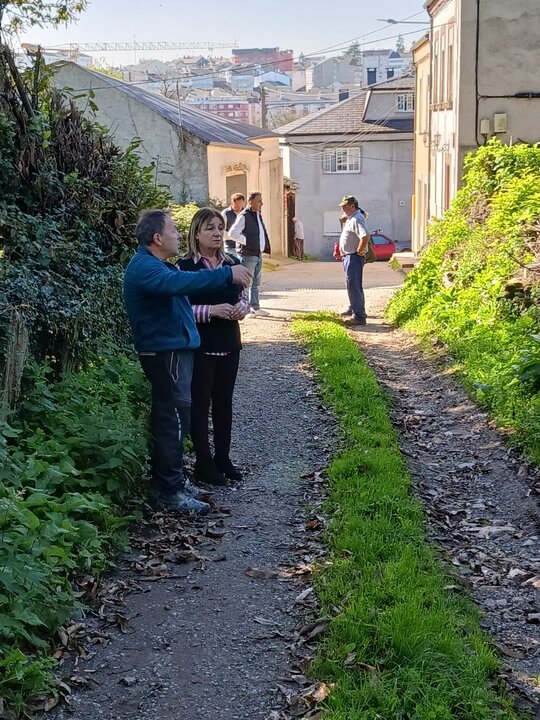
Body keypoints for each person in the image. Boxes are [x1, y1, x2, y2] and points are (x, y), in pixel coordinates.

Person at [123, 209, 251, 514]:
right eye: (174, 231)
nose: (179, 235)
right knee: (172, 421)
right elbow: (180, 284)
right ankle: (169, 491)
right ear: (157, 238)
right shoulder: (146, 267)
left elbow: (179, 286)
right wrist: (225, 274)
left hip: (175, 351)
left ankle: (173, 482)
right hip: (164, 353)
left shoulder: (156, 264)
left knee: (177, 419)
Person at [178, 208, 250, 486]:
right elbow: (180, 310)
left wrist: (241, 309)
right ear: (196, 233)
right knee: (200, 404)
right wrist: (211, 311)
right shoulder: (183, 268)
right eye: (210, 228)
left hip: (229, 343)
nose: (218, 233)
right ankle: (203, 462)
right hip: (200, 346)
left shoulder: (232, 263)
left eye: (220, 227)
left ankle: (223, 457)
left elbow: (245, 298)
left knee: (224, 403)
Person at [229, 191, 271, 317]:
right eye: (259, 201)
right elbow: (232, 233)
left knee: (256, 283)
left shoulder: (257, 215)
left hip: (257, 254)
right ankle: (245, 309)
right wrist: (247, 242)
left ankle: (255, 307)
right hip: (248, 254)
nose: (261, 203)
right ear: (250, 202)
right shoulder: (244, 215)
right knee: (246, 283)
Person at [338, 195, 370, 326]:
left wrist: (359, 250)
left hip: (353, 256)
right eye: (342, 207)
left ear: (353, 206)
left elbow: (365, 235)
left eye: (345, 206)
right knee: (353, 285)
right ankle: (354, 308)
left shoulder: (357, 219)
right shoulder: (352, 218)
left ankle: (359, 316)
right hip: (349, 256)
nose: (343, 209)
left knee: (353, 285)